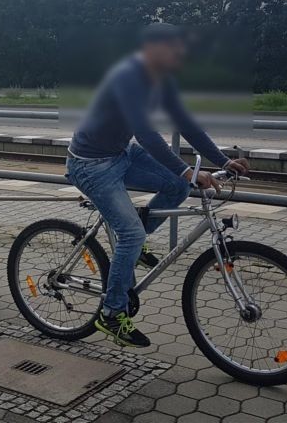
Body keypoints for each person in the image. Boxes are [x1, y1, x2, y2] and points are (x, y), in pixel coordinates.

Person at [66, 22, 249, 348]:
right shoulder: (127, 76)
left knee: (176, 190)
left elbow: (186, 124)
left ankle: (134, 249)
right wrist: (186, 171)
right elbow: (147, 133)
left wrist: (221, 161)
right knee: (133, 233)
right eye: (173, 49)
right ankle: (110, 313)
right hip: (90, 165)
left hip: (121, 153)